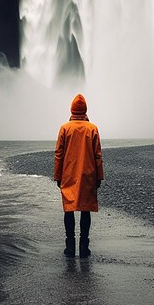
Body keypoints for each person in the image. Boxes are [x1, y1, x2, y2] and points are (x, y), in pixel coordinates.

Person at [54, 93, 104, 258]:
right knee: (85, 210)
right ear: (85, 110)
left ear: (72, 109)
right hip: (88, 174)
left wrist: (57, 176)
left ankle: (70, 247)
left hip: (68, 174)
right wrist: (99, 177)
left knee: (68, 210)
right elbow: (98, 155)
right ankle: (84, 247)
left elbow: (59, 154)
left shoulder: (65, 128)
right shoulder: (93, 129)